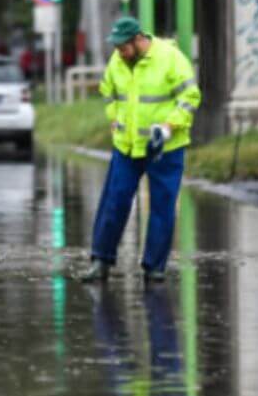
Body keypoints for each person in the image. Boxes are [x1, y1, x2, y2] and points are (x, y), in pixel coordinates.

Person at [81, 17, 201, 283]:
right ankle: (101, 261)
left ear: (138, 40)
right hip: (126, 145)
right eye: (117, 48)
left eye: (123, 47)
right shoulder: (118, 60)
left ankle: (154, 267)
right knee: (114, 201)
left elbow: (190, 97)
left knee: (162, 206)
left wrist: (170, 126)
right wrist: (113, 118)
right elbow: (107, 91)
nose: (119, 53)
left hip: (165, 147)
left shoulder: (171, 58)